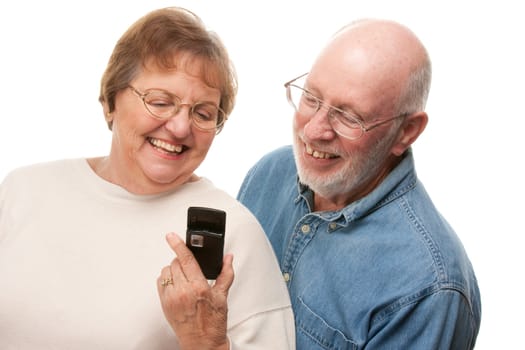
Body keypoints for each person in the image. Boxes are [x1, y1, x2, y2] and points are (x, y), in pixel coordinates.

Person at [0, 7, 294, 349]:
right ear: (111, 100)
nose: (181, 127)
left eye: (203, 113)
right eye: (160, 101)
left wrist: (205, 342)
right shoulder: (24, 190)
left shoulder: (237, 234)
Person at [238, 18, 481, 349]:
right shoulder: (270, 172)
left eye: (349, 116)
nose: (312, 132)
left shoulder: (429, 288)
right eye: (310, 97)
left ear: (407, 132)